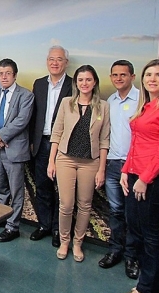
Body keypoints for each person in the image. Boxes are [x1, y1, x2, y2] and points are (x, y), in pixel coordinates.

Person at [48, 65, 110, 262]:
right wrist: (51, 161)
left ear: (94, 82)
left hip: (89, 162)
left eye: (88, 80)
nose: (84, 83)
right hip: (65, 158)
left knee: (84, 204)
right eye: (80, 80)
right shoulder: (67, 103)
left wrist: (101, 169)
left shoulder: (103, 106)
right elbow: (56, 133)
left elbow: (104, 140)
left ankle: (77, 243)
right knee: (66, 204)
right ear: (76, 83)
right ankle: (65, 241)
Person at [121, 59, 159, 293]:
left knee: (149, 235)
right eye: (149, 74)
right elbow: (136, 143)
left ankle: (147, 290)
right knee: (137, 229)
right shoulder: (146, 107)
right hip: (136, 174)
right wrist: (127, 171)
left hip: (153, 179)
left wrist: (145, 178)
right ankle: (154, 281)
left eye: (158, 74)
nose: (152, 78)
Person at [98, 60, 139, 279]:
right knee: (115, 211)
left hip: (134, 165)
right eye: (115, 75)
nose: (118, 78)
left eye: (123, 75)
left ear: (132, 76)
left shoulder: (142, 100)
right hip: (114, 163)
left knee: (132, 214)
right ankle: (115, 251)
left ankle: (132, 257)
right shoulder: (110, 102)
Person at [0, 58, 34, 242]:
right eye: (1, 73)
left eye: (7, 73)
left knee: (16, 191)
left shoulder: (26, 95)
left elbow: (21, 120)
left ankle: (13, 227)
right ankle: (1, 218)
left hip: (14, 150)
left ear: (15, 75)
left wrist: (1, 136)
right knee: (0, 189)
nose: (4, 77)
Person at [29, 45, 72, 247]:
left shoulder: (73, 85)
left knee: (62, 191)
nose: (55, 63)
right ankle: (44, 225)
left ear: (66, 63)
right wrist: (31, 142)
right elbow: (33, 115)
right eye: (51, 59)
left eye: (59, 59)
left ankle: (58, 229)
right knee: (43, 187)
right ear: (47, 62)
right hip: (41, 144)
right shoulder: (39, 84)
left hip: (64, 147)